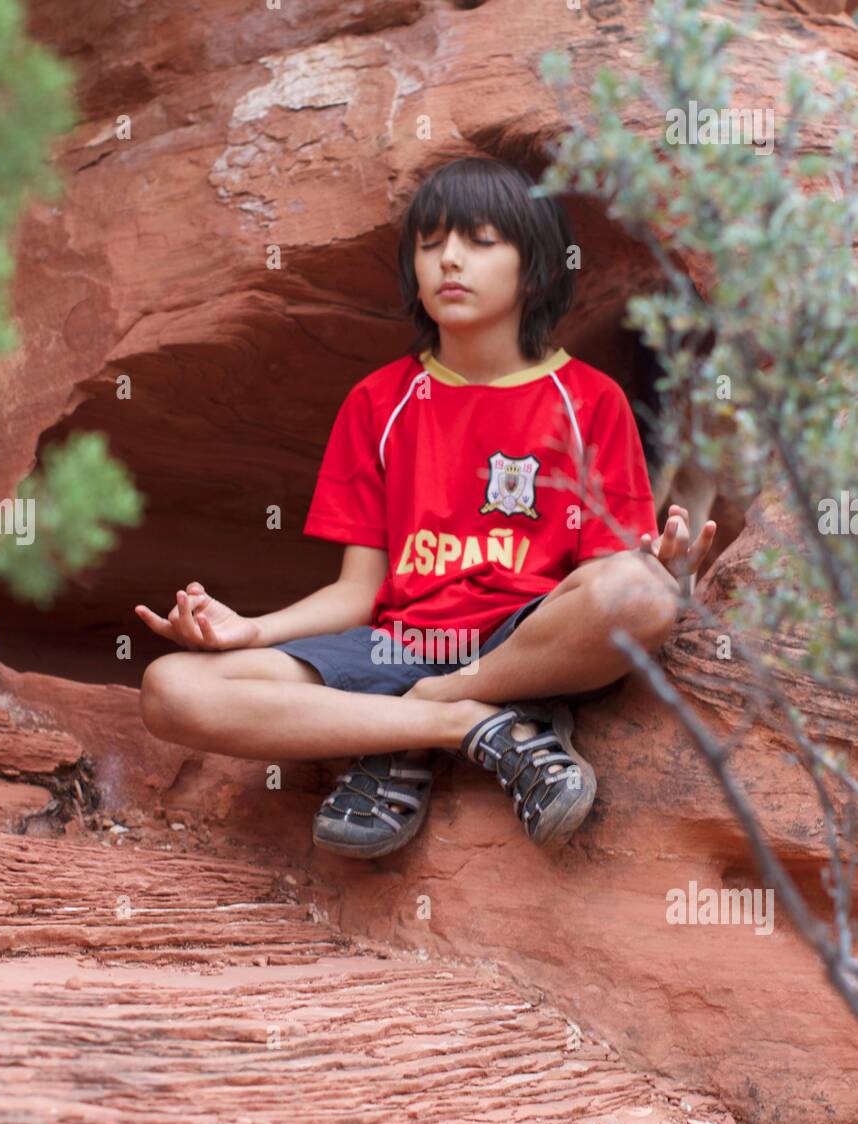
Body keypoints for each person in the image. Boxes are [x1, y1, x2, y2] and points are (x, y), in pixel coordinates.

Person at [136, 156, 716, 858]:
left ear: (534, 268)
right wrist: (251, 631)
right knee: (171, 688)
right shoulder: (377, 403)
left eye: (479, 241)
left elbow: (601, 584)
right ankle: (458, 726)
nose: (449, 261)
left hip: (520, 643)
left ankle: (432, 713)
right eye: (431, 242)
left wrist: (662, 573)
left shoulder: (589, 400)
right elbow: (360, 592)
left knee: (639, 592)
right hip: (396, 647)